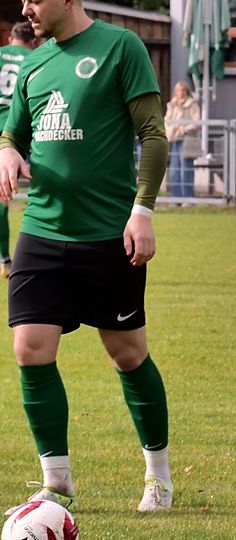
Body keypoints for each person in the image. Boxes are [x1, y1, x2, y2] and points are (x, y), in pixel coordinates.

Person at [0, 0, 172, 514]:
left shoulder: (121, 47)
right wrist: (6, 150)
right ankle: (56, 481)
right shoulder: (33, 63)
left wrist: (142, 212)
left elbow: (153, 134)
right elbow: (13, 132)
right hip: (41, 229)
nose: (26, 8)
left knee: (127, 354)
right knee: (29, 348)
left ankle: (159, 478)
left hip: (108, 233)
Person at [0, 21, 36, 279]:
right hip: (16, 132)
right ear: (33, 41)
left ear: (10, 38)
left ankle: (4, 257)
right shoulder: (34, 58)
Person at [165, 80, 200, 198]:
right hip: (174, 139)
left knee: (186, 170)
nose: (181, 92)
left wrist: (184, 129)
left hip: (187, 139)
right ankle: (176, 198)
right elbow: (167, 120)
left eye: (183, 90)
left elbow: (197, 122)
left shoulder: (192, 104)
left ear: (187, 91)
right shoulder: (172, 104)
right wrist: (170, 130)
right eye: (178, 90)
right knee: (174, 170)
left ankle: (188, 197)